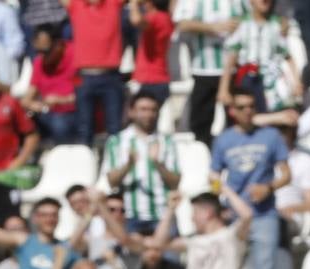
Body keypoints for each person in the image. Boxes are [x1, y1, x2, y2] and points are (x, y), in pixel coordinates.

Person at [211, 86, 290, 269]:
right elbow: (213, 177)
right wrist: (223, 200)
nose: (247, 111)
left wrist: (269, 187)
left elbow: (287, 174)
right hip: (234, 215)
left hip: (264, 213)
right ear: (233, 111)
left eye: (251, 106)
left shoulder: (271, 136)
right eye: (241, 107)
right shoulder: (224, 140)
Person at [102, 90, 180, 233]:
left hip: (161, 214)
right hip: (129, 216)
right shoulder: (117, 141)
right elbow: (111, 181)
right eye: (143, 109)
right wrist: (128, 165)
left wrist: (158, 164)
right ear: (131, 112)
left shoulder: (167, 141)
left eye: (153, 110)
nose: (148, 114)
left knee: (168, 255)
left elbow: (175, 182)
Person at [174, 0, 245, 147]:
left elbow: (253, 15)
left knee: (239, 120)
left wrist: (240, 24)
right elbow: (181, 23)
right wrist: (212, 27)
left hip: (235, 70)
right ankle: (207, 158)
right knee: (200, 123)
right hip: (203, 69)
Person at [64, 0, 127, 145]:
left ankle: (115, 164)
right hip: (84, 76)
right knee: (84, 128)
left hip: (111, 75)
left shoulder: (113, 3)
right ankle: (86, 165)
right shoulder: (76, 4)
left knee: (114, 129)